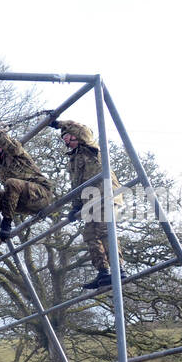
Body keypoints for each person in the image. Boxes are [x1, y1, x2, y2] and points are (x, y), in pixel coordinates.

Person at [52, 119, 127, 291]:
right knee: (90, 235)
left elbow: (82, 128)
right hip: (90, 201)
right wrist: (75, 207)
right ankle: (103, 271)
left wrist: (59, 123)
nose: (66, 141)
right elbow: (77, 184)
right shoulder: (73, 159)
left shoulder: (90, 148)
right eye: (63, 138)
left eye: (68, 136)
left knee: (104, 230)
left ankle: (118, 267)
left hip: (105, 195)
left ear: (77, 136)